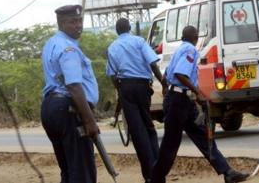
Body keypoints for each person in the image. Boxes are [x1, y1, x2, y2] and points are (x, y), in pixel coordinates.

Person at [150, 26, 249, 183]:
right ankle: (155, 178)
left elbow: (167, 73)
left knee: (203, 136)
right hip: (178, 102)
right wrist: (197, 92)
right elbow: (180, 73)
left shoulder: (179, 49)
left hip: (180, 100)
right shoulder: (190, 50)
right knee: (170, 144)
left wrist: (166, 88)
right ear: (195, 37)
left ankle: (227, 172)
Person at [41, 4, 99, 183]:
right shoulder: (68, 48)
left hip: (52, 108)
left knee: (68, 170)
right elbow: (74, 85)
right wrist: (89, 121)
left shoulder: (52, 43)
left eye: (80, 20)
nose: (78, 25)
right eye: (72, 22)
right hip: (68, 110)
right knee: (81, 171)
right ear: (61, 23)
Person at [106, 17, 167, 183]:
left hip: (125, 87)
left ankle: (149, 174)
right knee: (148, 126)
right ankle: (158, 171)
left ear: (117, 31)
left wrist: (120, 90)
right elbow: (153, 64)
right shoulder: (139, 41)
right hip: (142, 87)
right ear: (130, 27)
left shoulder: (112, 47)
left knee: (137, 131)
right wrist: (163, 83)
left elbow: (112, 74)